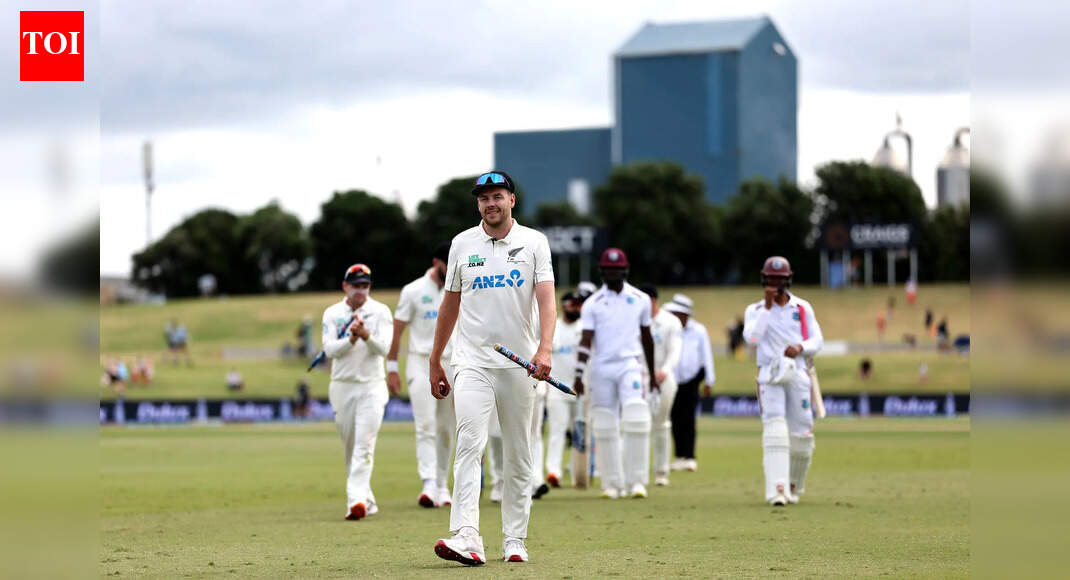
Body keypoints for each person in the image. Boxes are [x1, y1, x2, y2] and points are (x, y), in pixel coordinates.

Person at [430, 171, 556, 565]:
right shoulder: (462, 244)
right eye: (484, 198)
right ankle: (466, 535)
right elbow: (449, 304)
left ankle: (514, 539)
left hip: (518, 365)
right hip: (471, 361)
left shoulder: (535, 242)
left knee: (519, 451)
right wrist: (436, 358)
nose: (490, 204)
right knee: (470, 442)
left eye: (497, 196)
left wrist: (545, 349)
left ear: (512, 200)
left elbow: (547, 302)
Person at [574, 248, 658, 500]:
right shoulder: (592, 303)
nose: (613, 274)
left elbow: (647, 338)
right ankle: (612, 483)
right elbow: (586, 340)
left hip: (630, 364)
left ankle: (637, 482)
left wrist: (652, 374)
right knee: (604, 424)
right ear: (602, 272)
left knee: (636, 417)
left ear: (625, 270)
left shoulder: (640, 299)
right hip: (601, 367)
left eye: (617, 270)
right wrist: (579, 374)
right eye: (608, 270)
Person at [743, 256, 824, 506]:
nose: (775, 285)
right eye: (771, 280)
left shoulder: (802, 308)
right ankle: (776, 489)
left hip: (798, 372)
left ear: (788, 279)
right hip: (769, 374)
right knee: (775, 427)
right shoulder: (755, 310)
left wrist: (800, 346)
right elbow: (752, 339)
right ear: (764, 279)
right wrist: (767, 308)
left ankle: (793, 485)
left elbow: (817, 341)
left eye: (780, 280)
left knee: (802, 432)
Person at [321, 263, 393, 521]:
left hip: (372, 386)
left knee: (364, 444)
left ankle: (356, 502)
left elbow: (384, 348)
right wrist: (350, 340)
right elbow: (329, 350)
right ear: (345, 286)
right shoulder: (332, 313)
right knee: (350, 445)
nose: (360, 291)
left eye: (365, 286)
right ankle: (367, 498)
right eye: (356, 286)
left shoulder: (380, 312)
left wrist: (365, 335)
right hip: (342, 385)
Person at [388, 241, 456, 509]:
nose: (452, 268)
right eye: (448, 263)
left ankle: (442, 484)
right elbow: (397, 330)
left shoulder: (460, 287)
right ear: (436, 262)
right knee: (426, 424)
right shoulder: (413, 290)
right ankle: (428, 482)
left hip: (452, 363)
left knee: (446, 428)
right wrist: (392, 368)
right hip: (419, 362)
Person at [664, 294, 715, 472]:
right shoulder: (670, 329)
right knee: (675, 418)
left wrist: (709, 380)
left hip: (693, 379)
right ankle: (679, 456)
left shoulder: (699, 331)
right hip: (672, 378)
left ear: (686, 315)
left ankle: (690, 456)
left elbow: (707, 356)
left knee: (689, 419)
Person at [638, 284, 682, 487]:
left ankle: (661, 471)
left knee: (661, 423)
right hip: (640, 377)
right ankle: (638, 473)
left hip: (663, 378)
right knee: (639, 423)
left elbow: (675, 350)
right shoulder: (634, 319)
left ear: (654, 301)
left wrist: (665, 370)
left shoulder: (670, 321)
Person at [544, 291, 584, 489]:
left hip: (580, 390)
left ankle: (579, 472)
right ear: (563, 306)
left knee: (580, 433)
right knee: (557, 431)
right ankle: (554, 471)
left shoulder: (584, 328)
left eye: (579, 305)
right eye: (573, 304)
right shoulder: (554, 327)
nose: (576, 308)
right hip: (556, 389)